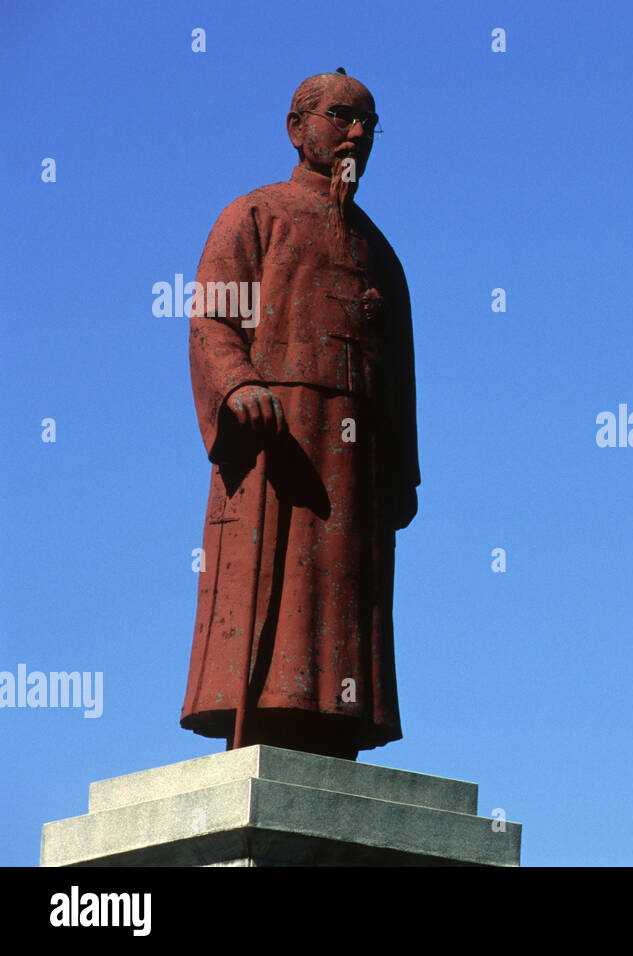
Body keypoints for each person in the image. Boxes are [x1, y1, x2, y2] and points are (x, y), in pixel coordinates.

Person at [180, 69, 419, 760]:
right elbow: (212, 322)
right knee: (275, 597)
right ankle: (265, 719)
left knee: (345, 600)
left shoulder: (382, 255)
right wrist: (237, 387)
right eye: (341, 116)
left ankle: (337, 724)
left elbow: (400, 379)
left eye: (369, 123)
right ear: (297, 128)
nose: (357, 133)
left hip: (355, 470)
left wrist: (402, 471)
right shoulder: (255, 215)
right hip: (277, 449)